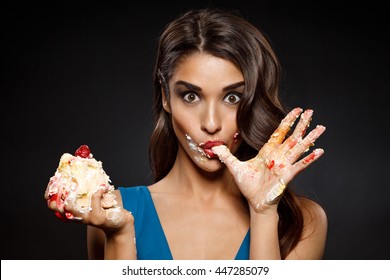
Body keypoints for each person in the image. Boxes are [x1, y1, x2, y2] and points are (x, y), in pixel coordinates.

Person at [49, 8, 327, 260]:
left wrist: (264, 214)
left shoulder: (303, 221)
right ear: (166, 98)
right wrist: (121, 237)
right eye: (191, 95)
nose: (210, 123)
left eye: (232, 97)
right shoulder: (112, 212)